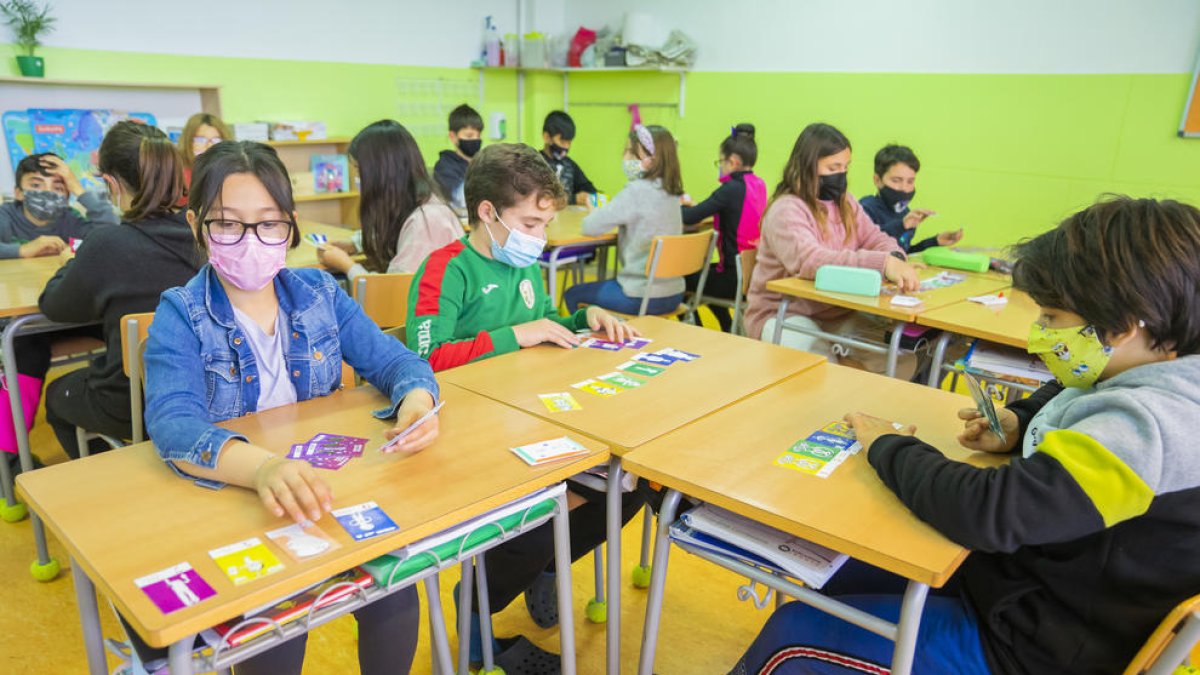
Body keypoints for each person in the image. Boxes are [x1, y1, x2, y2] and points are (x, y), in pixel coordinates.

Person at [734, 195, 1200, 675]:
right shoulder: (1162, 374)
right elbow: (1067, 391)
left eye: (1052, 320)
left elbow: (986, 510)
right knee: (839, 574)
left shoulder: (1150, 428)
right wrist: (1018, 423)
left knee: (792, 636)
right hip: (1036, 587)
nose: (1039, 337)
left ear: (1122, 326)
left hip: (1031, 644)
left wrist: (885, 444)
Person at [143, 139, 441, 675]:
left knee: (395, 587)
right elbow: (173, 425)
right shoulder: (180, 312)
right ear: (196, 225)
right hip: (239, 499)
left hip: (324, 491)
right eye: (227, 224)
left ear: (291, 224)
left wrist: (417, 399)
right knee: (273, 624)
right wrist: (264, 467)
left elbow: (397, 362)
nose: (250, 240)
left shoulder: (319, 292)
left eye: (269, 223)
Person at [407, 142, 643, 671]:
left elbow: (545, 322)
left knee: (628, 491)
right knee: (535, 526)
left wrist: (587, 320)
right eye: (531, 223)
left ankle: (548, 568)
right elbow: (423, 359)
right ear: (488, 213)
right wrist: (514, 334)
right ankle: (475, 614)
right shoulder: (446, 270)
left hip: (532, 420)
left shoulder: (525, 266)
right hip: (468, 438)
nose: (540, 238)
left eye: (545, 224)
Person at [33, 121, 203, 461]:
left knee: (57, 395)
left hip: (131, 403)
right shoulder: (205, 233)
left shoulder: (107, 244)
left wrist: (71, 261)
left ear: (110, 182)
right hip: (207, 393)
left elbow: (55, 306)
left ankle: (115, 477)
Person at [744, 123, 920, 374]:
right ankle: (843, 400)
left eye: (845, 167)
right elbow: (810, 261)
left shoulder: (845, 202)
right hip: (783, 313)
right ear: (807, 166)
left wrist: (894, 257)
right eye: (833, 168)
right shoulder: (787, 209)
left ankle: (863, 406)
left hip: (834, 311)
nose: (841, 174)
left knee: (900, 357)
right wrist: (882, 263)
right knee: (821, 371)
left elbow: (875, 237)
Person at [563, 124, 686, 316]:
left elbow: (590, 227)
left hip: (640, 295)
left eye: (630, 151)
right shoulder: (672, 192)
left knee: (573, 294)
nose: (625, 157)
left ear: (649, 160)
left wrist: (594, 210)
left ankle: (586, 345)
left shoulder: (636, 191)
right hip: (675, 293)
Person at [316, 120, 462, 281]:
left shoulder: (427, 220)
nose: (357, 178)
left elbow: (394, 292)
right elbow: (395, 229)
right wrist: (356, 244)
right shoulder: (412, 206)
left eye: (359, 170)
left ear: (382, 172)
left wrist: (347, 265)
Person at [681, 123, 767, 332]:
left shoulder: (730, 189)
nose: (720, 166)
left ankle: (691, 328)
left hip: (732, 279)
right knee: (703, 275)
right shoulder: (758, 184)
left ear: (733, 162)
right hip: (750, 274)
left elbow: (690, 216)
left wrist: (677, 204)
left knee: (679, 276)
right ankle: (725, 325)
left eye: (721, 162)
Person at [0, 152, 118, 259]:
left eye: (57, 187)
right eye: (36, 185)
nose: (48, 192)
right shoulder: (5, 215)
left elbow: (111, 236)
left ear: (67, 195)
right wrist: (22, 250)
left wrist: (78, 189)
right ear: (19, 193)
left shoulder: (70, 219)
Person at [858, 144, 962, 254]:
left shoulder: (905, 213)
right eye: (896, 180)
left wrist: (934, 242)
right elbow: (864, 244)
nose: (904, 188)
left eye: (910, 181)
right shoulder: (863, 209)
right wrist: (901, 225)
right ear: (877, 180)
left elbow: (903, 253)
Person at [433, 103, 484, 211]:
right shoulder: (444, 167)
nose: (475, 139)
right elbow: (460, 200)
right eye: (469, 135)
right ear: (453, 136)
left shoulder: (484, 163)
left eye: (478, 135)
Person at [540, 111, 597, 206]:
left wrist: (589, 196)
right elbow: (536, 199)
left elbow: (589, 189)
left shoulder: (569, 165)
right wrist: (573, 199)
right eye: (562, 142)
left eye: (569, 143)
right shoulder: (533, 163)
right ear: (547, 137)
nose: (566, 147)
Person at [176, 112, 232, 203]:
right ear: (188, 141)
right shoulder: (179, 174)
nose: (209, 145)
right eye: (200, 140)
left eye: (216, 140)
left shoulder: (232, 171)